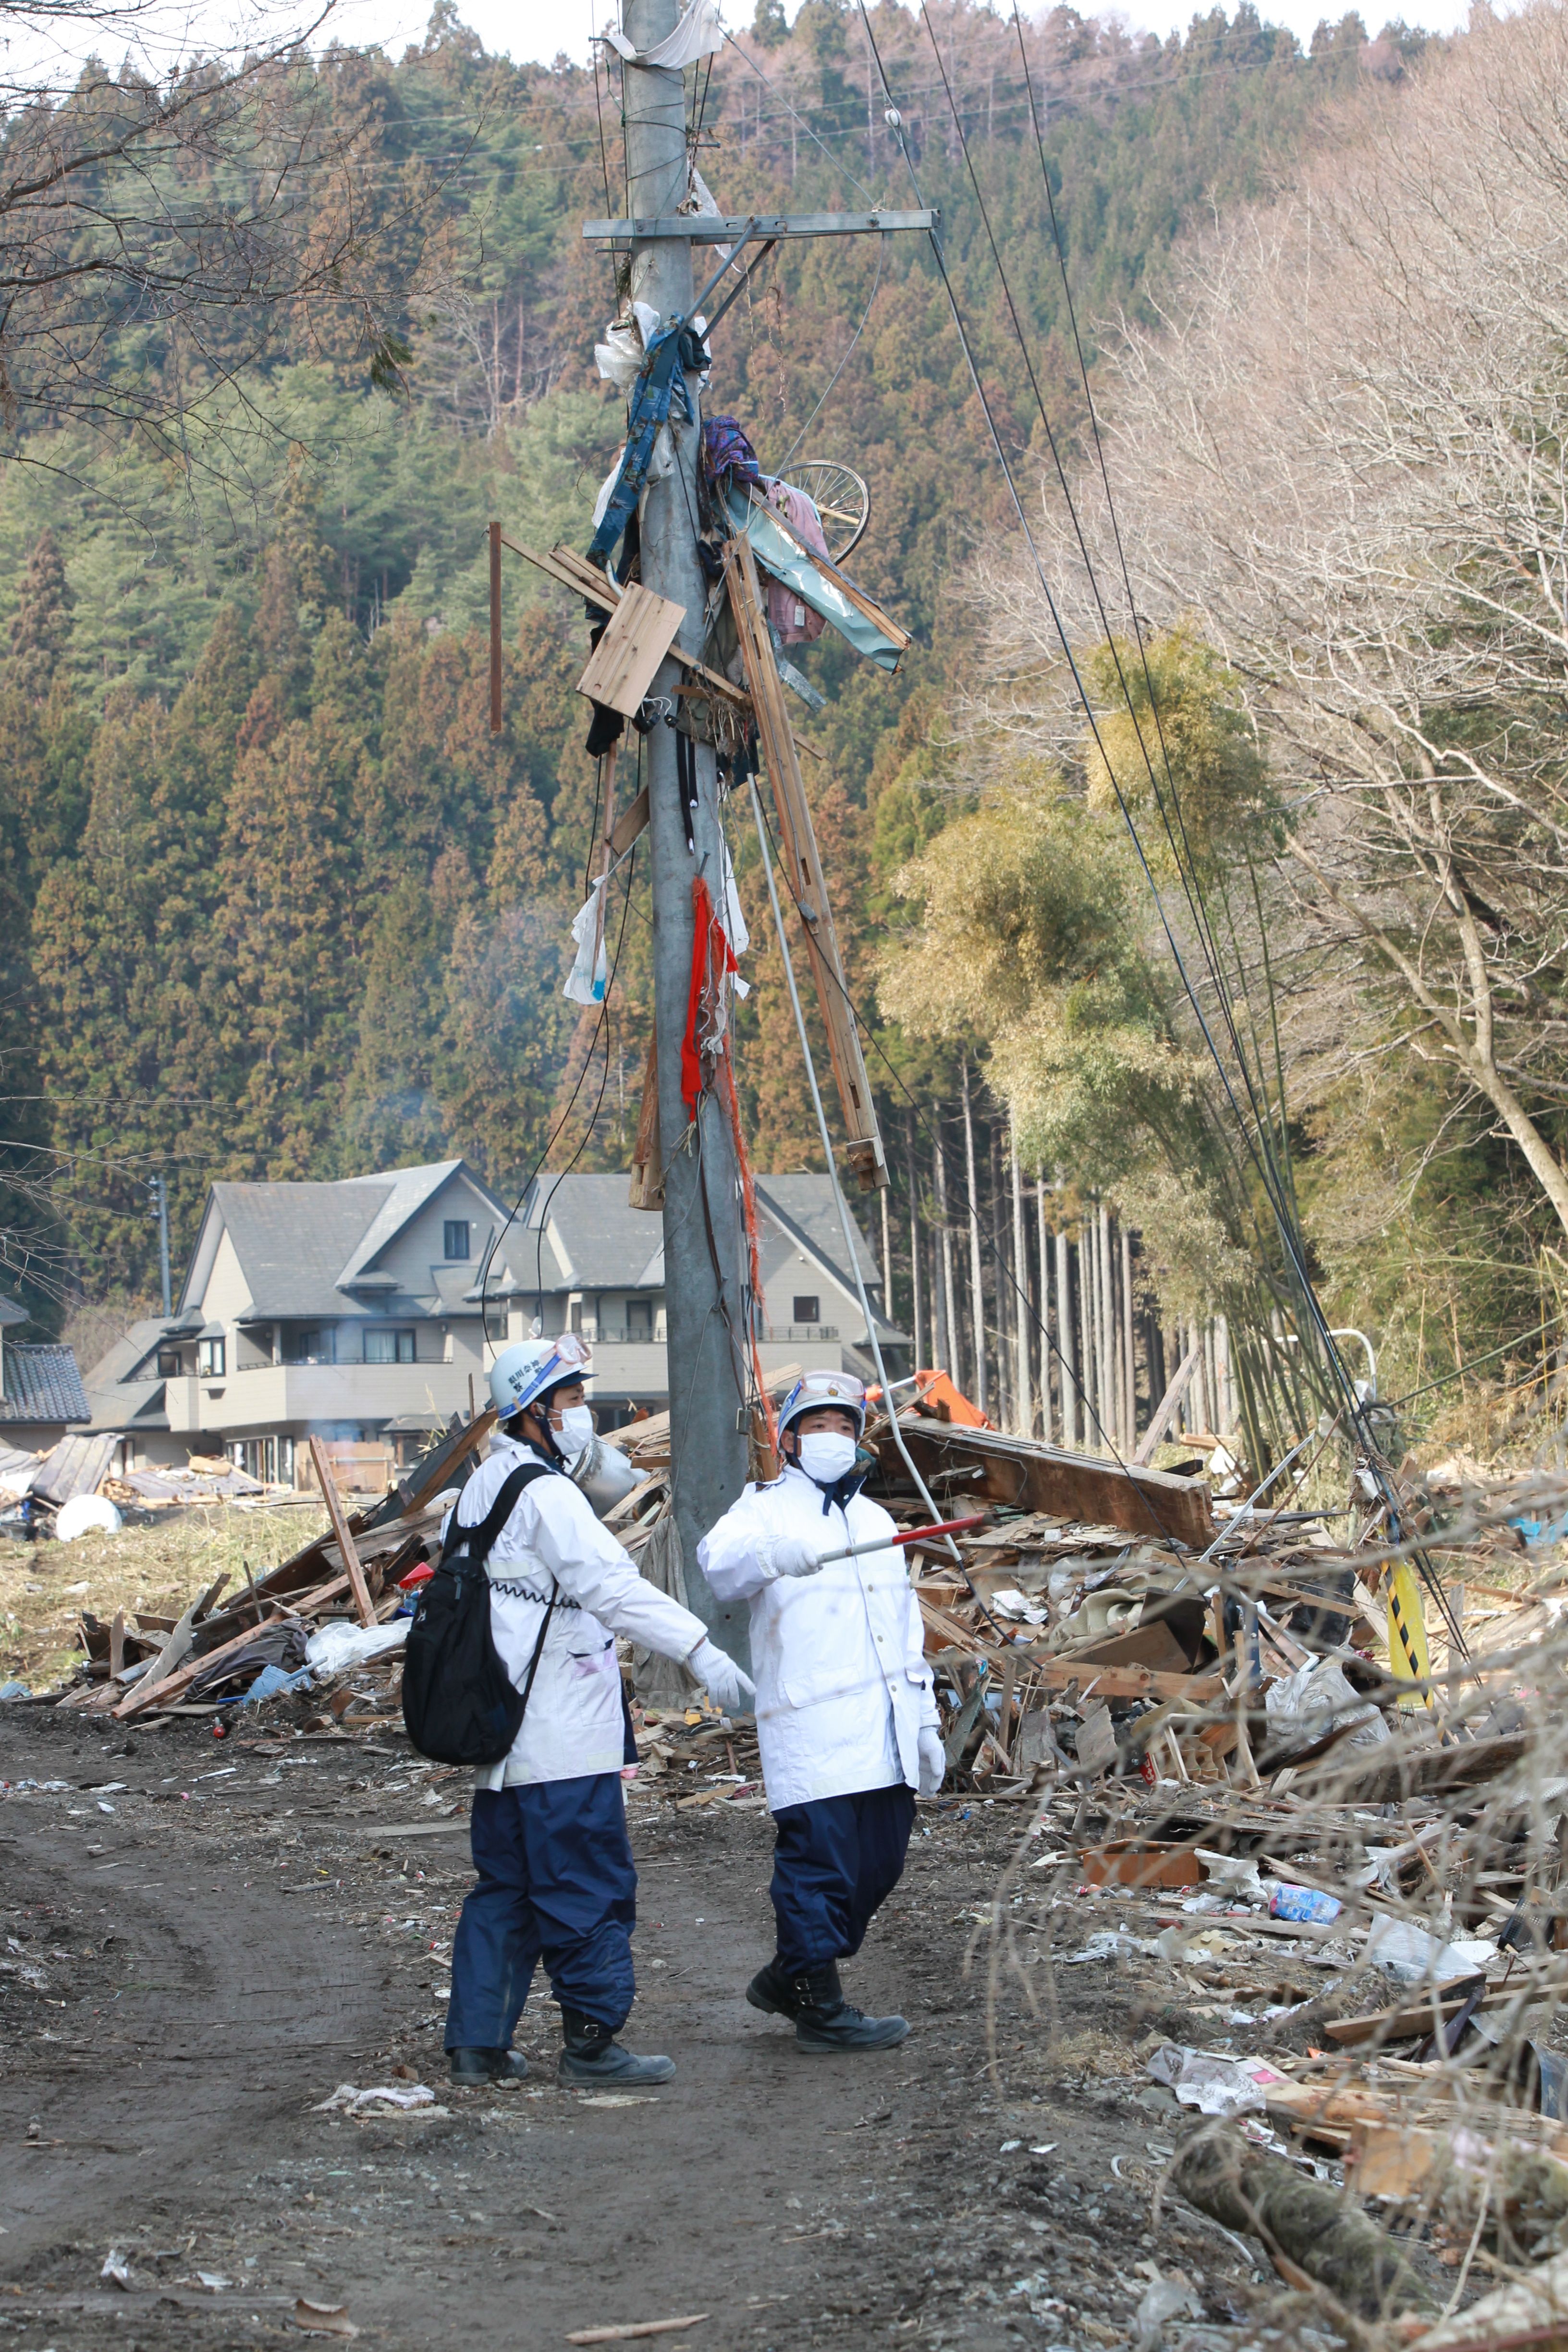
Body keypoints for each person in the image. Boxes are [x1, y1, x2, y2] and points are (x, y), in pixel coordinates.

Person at [443, 1334, 754, 2089]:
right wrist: (701, 1651)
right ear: (533, 1412)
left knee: (506, 1892)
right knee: (586, 1884)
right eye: (574, 1399)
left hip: (505, 1742)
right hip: (562, 1740)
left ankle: (476, 2046)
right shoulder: (548, 1496)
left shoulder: (483, 1487)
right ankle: (592, 2044)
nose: (585, 1413)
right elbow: (612, 1587)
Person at [697, 1372, 944, 2053]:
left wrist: (922, 1718)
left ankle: (790, 1973)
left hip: (883, 1726)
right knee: (818, 1870)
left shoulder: (875, 1520)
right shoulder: (766, 1508)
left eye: (844, 1426)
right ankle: (819, 2007)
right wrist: (771, 1555)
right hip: (810, 1726)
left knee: (880, 1865)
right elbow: (717, 1564)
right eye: (817, 1426)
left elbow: (904, 1628)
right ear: (791, 1439)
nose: (832, 1438)